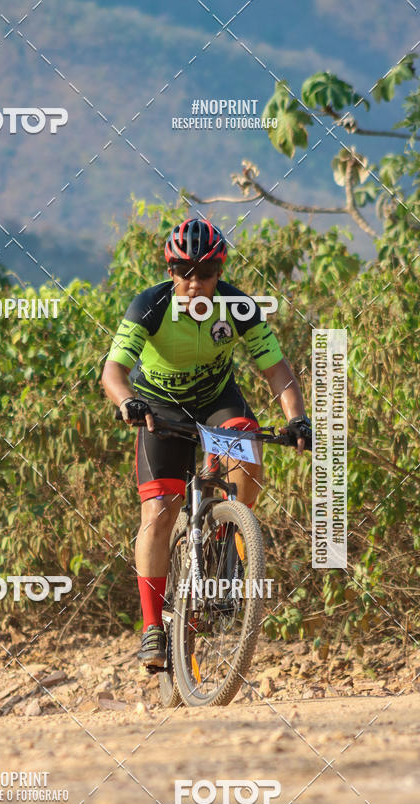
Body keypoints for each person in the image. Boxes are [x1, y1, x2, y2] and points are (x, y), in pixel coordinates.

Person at [101, 218, 311, 666]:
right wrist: (127, 401)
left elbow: (276, 368)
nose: (195, 283)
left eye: (207, 273)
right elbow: (113, 371)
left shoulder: (238, 306)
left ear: (220, 272)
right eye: (185, 272)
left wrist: (297, 418)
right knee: (158, 513)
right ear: (171, 271)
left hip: (217, 402)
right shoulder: (150, 305)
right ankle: (153, 628)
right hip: (160, 408)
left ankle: (230, 537)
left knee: (247, 444)